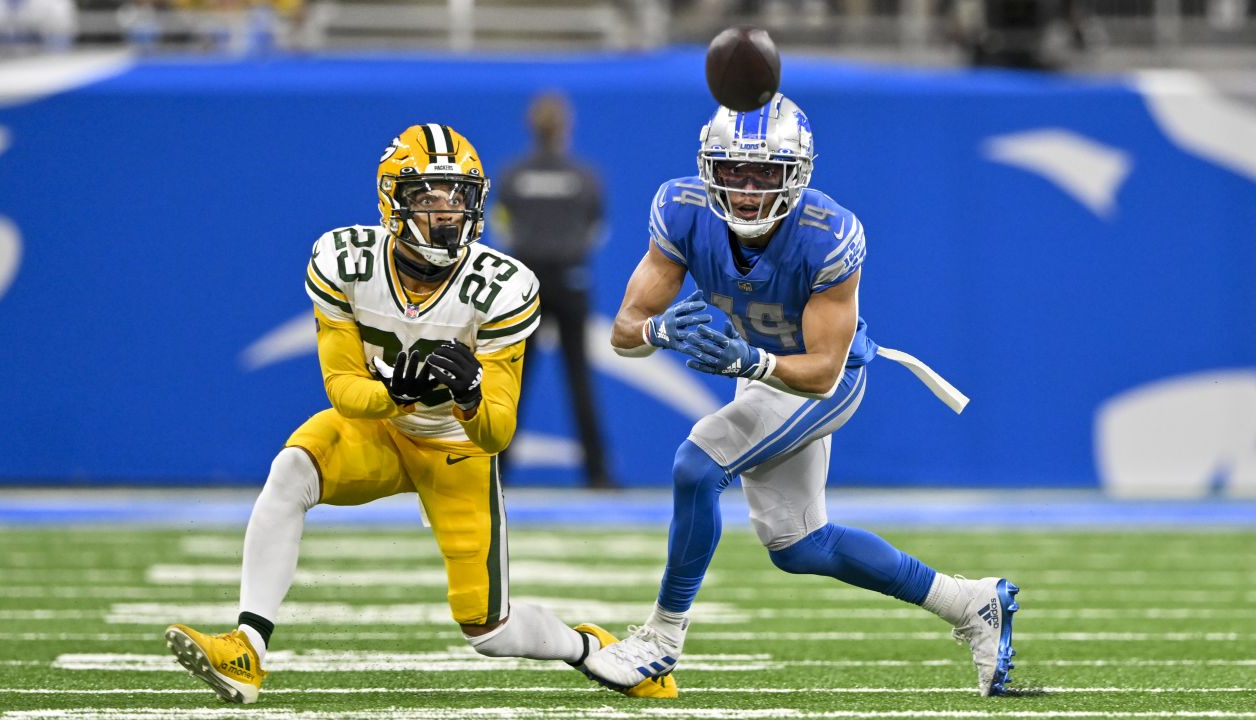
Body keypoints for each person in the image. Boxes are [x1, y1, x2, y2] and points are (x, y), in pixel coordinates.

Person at [163, 124, 675, 703]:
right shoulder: (346, 261)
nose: (448, 211)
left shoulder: (502, 286)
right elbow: (343, 389)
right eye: (430, 196)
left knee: (491, 630)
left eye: (458, 196)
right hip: (379, 428)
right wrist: (394, 398)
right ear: (393, 200)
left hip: (457, 447)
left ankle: (592, 649)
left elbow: (499, 430)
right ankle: (246, 649)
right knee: (291, 472)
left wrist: (471, 397)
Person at [577, 95, 1021, 697]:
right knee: (800, 546)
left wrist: (752, 359)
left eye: (766, 172)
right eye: (734, 170)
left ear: (798, 174)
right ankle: (970, 603)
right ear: (710, 168)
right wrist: (659, 331)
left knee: (697, 464)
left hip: (824, 378)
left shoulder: (827, 232)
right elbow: (624, 333)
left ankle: (661, 639)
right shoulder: (681, 209)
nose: (748, 188)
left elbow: (821, 373)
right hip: (760, 371)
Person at [495, 92, 611, 488]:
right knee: (579, 378)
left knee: (513, 382)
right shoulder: (583, 177)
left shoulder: (513, 176)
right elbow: (596, 229)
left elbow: (502, 226)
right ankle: (597, 475)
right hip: (571, 279)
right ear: (565, 127)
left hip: (524, 286)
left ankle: (496, 473)